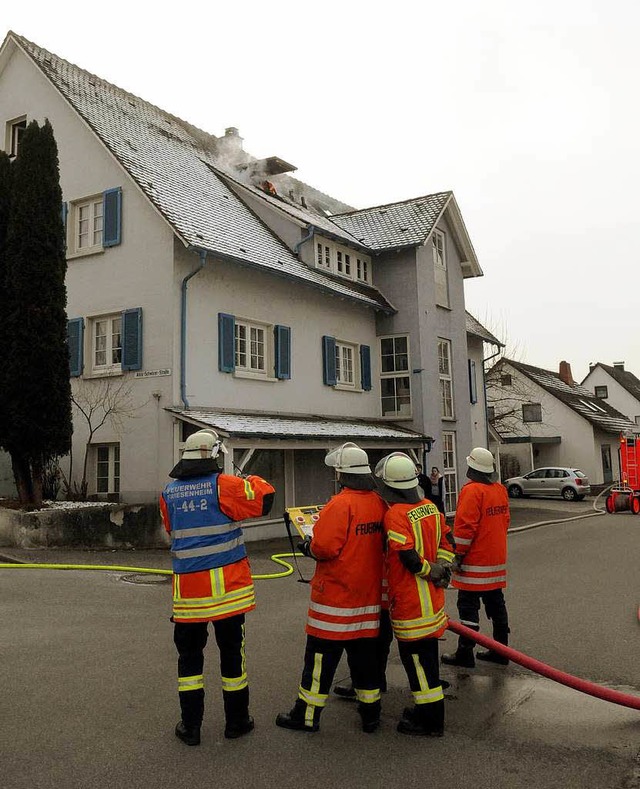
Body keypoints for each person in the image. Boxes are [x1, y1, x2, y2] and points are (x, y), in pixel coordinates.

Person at [159, 429, 275, 746]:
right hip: (228, 592)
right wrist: (250, 478)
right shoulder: (225, 486)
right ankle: (237, 722)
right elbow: (266, 498)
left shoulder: (168, 493)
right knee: (232, 659)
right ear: (212, 455)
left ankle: (191, 727)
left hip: (188, 597)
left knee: (189, 662)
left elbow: (171, 527)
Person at [275, 442, 387, 734]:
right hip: (367, 599)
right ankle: (371, 715)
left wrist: (307, 546)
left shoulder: (340, 504)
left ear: (341, 474)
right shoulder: (378, 502)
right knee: (365, 661)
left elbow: (324, 547)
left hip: (335, 601)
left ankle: (306, 716)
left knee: (320, 662)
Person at [375, 452, 455, 736]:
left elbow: (407, 558)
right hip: (433, 602)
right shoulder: (431, 507)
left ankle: (429, 720)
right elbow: (448, 541)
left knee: (418, 666)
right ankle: (428, 713)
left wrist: (430, 570)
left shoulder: (395, 515)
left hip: (411, 604)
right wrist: (444, 567)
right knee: (429, 661)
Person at [441, 447, 511, 669]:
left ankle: (465, 652)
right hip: (495, 561)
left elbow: (464, 528)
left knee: (468, 606)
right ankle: (501, 650)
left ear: (472, 467)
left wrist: (458, 556)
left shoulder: (472, 491)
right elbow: (505, 521)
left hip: (474, 562)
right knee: (496, 605)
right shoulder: (499, 490)